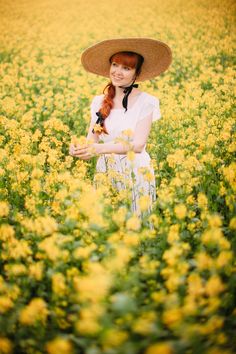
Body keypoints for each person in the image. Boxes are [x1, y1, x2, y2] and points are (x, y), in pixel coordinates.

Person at [69, 38, 172, 216]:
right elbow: (92, 140)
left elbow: (138, 145)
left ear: (136, 74)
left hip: (136, 172)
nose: (118, 72)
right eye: (115, 65)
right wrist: (79, 149)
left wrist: (99, 149)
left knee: (135, 227)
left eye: (126, 68)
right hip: (106, 172)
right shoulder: (99, 102)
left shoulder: (146, 102)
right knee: (107, 228)